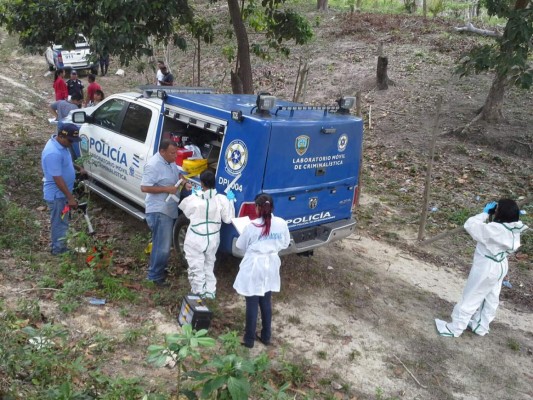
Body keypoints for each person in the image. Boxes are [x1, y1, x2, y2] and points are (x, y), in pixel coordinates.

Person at [435, 199, 528, 338]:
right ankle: (481, 325)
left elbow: (470, 225)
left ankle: (455, 328)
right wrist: (493, 214)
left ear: (501, 213)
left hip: (487, 266)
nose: (494, 212)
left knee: (472, 296)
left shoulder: (494, 230)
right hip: (501, 264)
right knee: (491, 297)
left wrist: (484, 213)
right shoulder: (514, 228)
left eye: (497, 210)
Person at [233, 193, 290, 348]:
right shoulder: (281, 223)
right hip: (271, 264)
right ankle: (266, 336)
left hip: (254, 266)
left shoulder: (252, 226)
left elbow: (240, 245)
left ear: (257, 208)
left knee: (251, 301)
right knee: (265, 300)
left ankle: (249, 339)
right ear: (272, 207)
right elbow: (285, 243)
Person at [178, 170, 235, 298]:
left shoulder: (194, 199)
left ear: (202, 183)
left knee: (196, 266)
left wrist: (194, 193)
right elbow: (228, 219)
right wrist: (230, 201)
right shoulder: (221, 199)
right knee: (209, 265)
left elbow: (186, 212)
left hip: (196, 238)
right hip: (213, 239)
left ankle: (198, 293)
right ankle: (210, 292)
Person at [140, 140, 181, 286]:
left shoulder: (169, 161)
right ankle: (154, 277)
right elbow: (144, 187)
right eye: (172, 153)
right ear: (162, 151)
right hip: (159, 209)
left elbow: (175, 176)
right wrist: (166, 189)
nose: (175, 156)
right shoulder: (153, 165)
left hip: (168, 208)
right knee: (162, 246)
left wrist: (183, 180)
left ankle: (159, 271)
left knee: (161, 243)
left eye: (176, 152)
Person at [41, 122, 81, 255]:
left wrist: (77, 168)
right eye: (70, 140)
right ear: (61, 136)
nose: (72, 143)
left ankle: (58, 245)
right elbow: (57, 178)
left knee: (61, 221)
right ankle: (59, 250)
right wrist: (70, 198)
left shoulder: (61, 145)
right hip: (58, 196)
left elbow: (65, 162)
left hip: (62, 195)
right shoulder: (52, 152)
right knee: (60, 223)